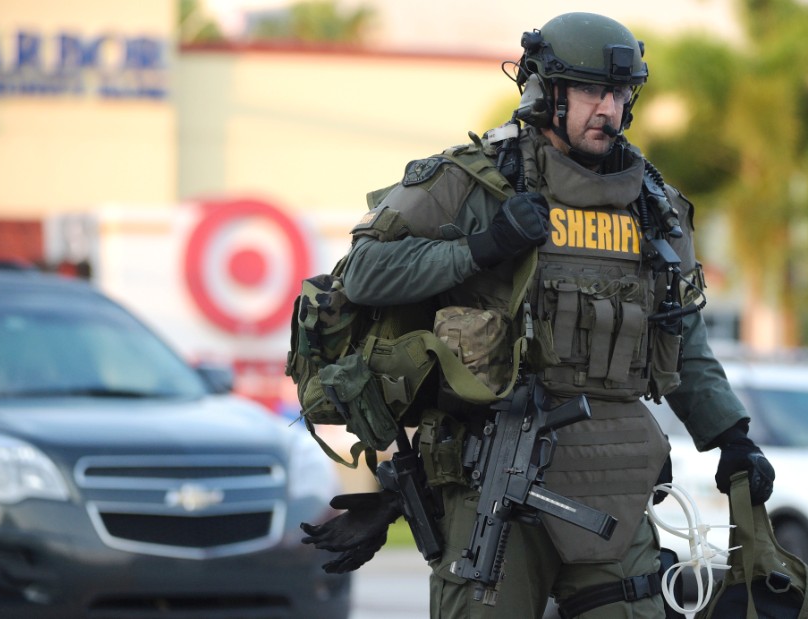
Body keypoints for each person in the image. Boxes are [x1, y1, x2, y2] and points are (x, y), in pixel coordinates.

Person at [302, 12, 775, 619]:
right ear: (545, 91)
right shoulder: (471, 181)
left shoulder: (654, 206)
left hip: (615, 478)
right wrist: (481, 247)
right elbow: (365, 272)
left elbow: (681, 333)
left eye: (620, 92)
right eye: (590, 90)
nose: (608, 107)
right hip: (495, 471)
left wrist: (730, 437)